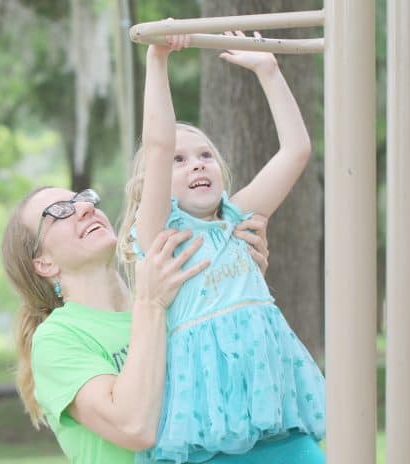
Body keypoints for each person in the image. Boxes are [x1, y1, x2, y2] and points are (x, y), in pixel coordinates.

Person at [118, 32, 326, 464]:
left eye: (205, 155)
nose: (195, 163)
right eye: (180, 160)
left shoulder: (236, 219)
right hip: (204, 428)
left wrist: (268, 71)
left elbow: (296, 150)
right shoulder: (161, 235)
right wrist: (158, 61)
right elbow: (156, 145)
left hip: (275, 417)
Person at [1, 186, 271, 464]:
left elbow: (237, 395)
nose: (86, 207)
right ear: (44, 263)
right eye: (59, 212)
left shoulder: (173, 303)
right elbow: (133, 427)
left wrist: (242, 290)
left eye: (83, 199)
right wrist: (150, 303)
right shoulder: (56, 339)